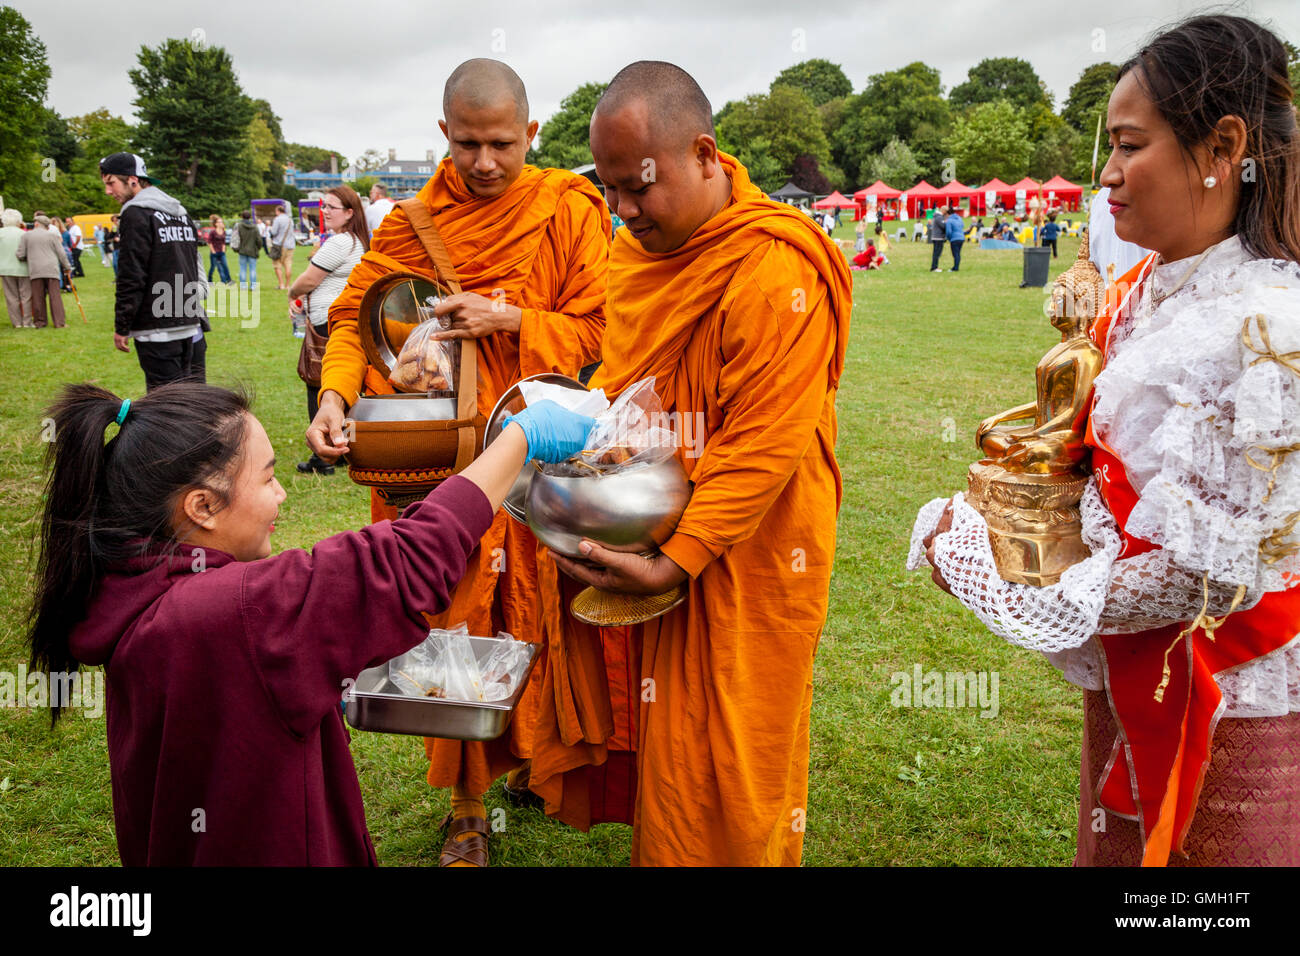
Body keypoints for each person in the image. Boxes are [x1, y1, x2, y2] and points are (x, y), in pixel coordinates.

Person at [917, 13, 1300, 867]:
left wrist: (1009, 586)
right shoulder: (1145, 293)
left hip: (1229, 696)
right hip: (1141, 682)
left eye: (1130, 146)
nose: (1110, 175)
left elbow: (1216, 576)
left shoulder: (1268, 327)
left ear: (1222, 147)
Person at [27, 380, 595, 866]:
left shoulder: (131, 592)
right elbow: (409, 560)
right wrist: (519, 439)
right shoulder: (236, 609)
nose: (281, 496)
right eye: (268, 478)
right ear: (201, 507)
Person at [306, 58, 612, 867]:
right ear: (444, 134)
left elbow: (605, 327)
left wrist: (509, 315)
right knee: (460, 615)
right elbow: (353, 319)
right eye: (469, 143)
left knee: (542, 606)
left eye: (502, 144)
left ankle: (532, 760)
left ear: (532, 135)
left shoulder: (566, 208)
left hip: (541, 444)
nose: (484, 163)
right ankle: (469, 805)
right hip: (443, 459)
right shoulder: (409, 221)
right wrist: (339, 394)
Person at [551, 60, 851, 866]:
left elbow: (766, 440)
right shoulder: (634, 256)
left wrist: (680, 559)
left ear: (706, 154)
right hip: (654, 521)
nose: (622, 208)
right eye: (609, 187)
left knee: (733, 746)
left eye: (638, 185)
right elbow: (626, 386)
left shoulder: (773, 265)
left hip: (752, 546)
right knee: (673, 745)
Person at [100, 152, 209, 391]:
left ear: (133, 180)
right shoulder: (180, 213)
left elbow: (131, 274)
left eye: (111, 182)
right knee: (195, 402)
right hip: (189, 321)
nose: (108, 191)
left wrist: (122, 325)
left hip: (157, 328)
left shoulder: (135, 213)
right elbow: (196, 264)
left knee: (165, 408)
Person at [289, 185, 369, 475]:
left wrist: (291, 293)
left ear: (349, 212)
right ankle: (344, 448)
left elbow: (308, 280)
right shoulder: (358, 241)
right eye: (323, 206)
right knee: (346, 388)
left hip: (328, 321)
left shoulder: (339, 242)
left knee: (320, 387)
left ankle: (323, 457)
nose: (324, 212)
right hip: (345, 318)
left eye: (331, 207)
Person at [16, 214, 71, 328]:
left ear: (36, 224)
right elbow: (61, 253)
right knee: (55, 296)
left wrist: (28, 258)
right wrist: (67, 267)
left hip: (35, 270)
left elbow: (20, 254)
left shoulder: (26, 236)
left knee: (38, 297)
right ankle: (59, 322)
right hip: (51, 269)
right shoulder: (52, 236)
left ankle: (40, 322)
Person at [0, 209, 34, 327]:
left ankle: (17, 322)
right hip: (24, 269)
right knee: (26, 297)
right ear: (19, 220)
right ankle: (27, 321)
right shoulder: (24, 234)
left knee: (11, 297)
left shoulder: (1, 233)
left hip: (5, 269)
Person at [269, 202, 296, 290]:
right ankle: (288, 285)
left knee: (277, 265)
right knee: (288, 265)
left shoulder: (278, 219)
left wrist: (270, 229)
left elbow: (273, 232)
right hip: (291, 245)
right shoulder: (290, 220)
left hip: (279, 245)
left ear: (278, 211)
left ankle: (281, 285)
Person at [234, 210, 261, 289]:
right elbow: (259, 240)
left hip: (242, 250)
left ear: (242, 216)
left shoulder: (239, 226)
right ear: (250, 217)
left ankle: (243, 286)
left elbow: (236, 238)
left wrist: (237, 248)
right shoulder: (255, 227)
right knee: (253, 269)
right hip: (252, 251)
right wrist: (258, 247)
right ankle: (253, 286)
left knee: (242, 269)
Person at [206, 214, 232, 284]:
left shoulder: (224, 231)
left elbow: (223, 241)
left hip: (221, 253)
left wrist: (223, 249)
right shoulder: (213, 232)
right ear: (216, 224)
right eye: (219, 222)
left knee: (225, 266)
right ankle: (209, 280)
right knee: (213, 267)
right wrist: (213, 251)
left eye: (221, 222)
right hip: (214, 253)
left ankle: (228, 280)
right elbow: (209, 242)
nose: (221, 223)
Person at [945, 206, 966, 272]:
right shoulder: (959, 218)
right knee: (958, 253)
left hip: (954, 238)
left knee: (955, 254)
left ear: (948, 214)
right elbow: (963, 225)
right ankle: (956, 266)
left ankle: (955, 268)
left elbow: (948, 231)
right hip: (961, 237)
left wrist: (949, 238)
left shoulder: (949, 220)